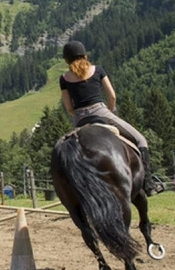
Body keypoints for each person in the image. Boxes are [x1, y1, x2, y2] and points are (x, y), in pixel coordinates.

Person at [59, 40, 163, 196]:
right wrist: (109, 111)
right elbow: (112, 96)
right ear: (85, 55)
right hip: (101, 112)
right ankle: (148, 184)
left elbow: (68, 107)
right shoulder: (98, 70)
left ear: (67, 60)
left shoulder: (64, 78)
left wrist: (79, 116)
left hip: (80, 118)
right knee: (141, 140)